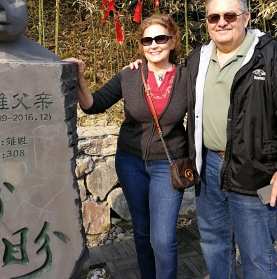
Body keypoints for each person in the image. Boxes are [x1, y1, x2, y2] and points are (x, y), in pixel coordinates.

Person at [185, 0, 277, 279]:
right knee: (213, 243)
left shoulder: (269, 57)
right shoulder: (198, 58)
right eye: (213, 17)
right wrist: (139, 70)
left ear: (245, 18)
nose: (221, 22)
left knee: (257, 253)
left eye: (230, 15)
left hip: (256, 170)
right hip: (208, 168)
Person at [65, 14, 188, 279]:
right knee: (143, 233)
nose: (154, 45)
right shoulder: (130, 75)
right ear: (141, 45)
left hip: (169, 164)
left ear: (172, 41)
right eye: (147, 40)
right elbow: (93, 105)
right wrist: (80, 80)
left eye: (160, 38)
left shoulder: (187, 77)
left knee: (163, 239)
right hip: (131, 162)